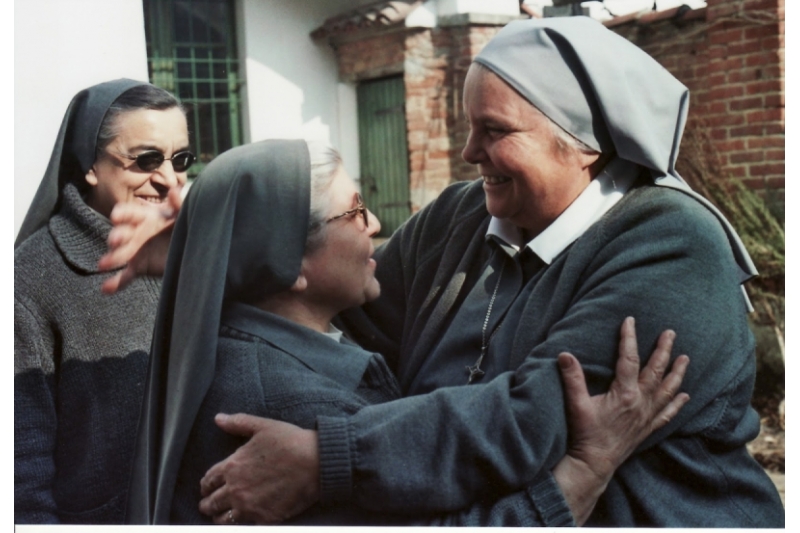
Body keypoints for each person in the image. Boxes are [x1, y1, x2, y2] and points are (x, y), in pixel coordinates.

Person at [187, 18, 784, 527]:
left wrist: (329, 459)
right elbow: (340, 314)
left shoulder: (671, 244)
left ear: (582, 145)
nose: (469, 152)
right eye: (470, 125)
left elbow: (535, 420)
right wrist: (211, 249)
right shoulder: (460, 214)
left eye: (494, 131)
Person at [122, 139, 689, 525]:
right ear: (288, 263)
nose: (375, 225)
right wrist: (587, 470)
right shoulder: (290, 405)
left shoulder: (251, 352)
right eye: (355, 211)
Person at [14, 79, 193, 524]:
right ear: (91, 165)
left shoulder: (201, 250)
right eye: (146, 159)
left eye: (181, 159)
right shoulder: (29, 280)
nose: (168, 179)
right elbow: (21, 469)